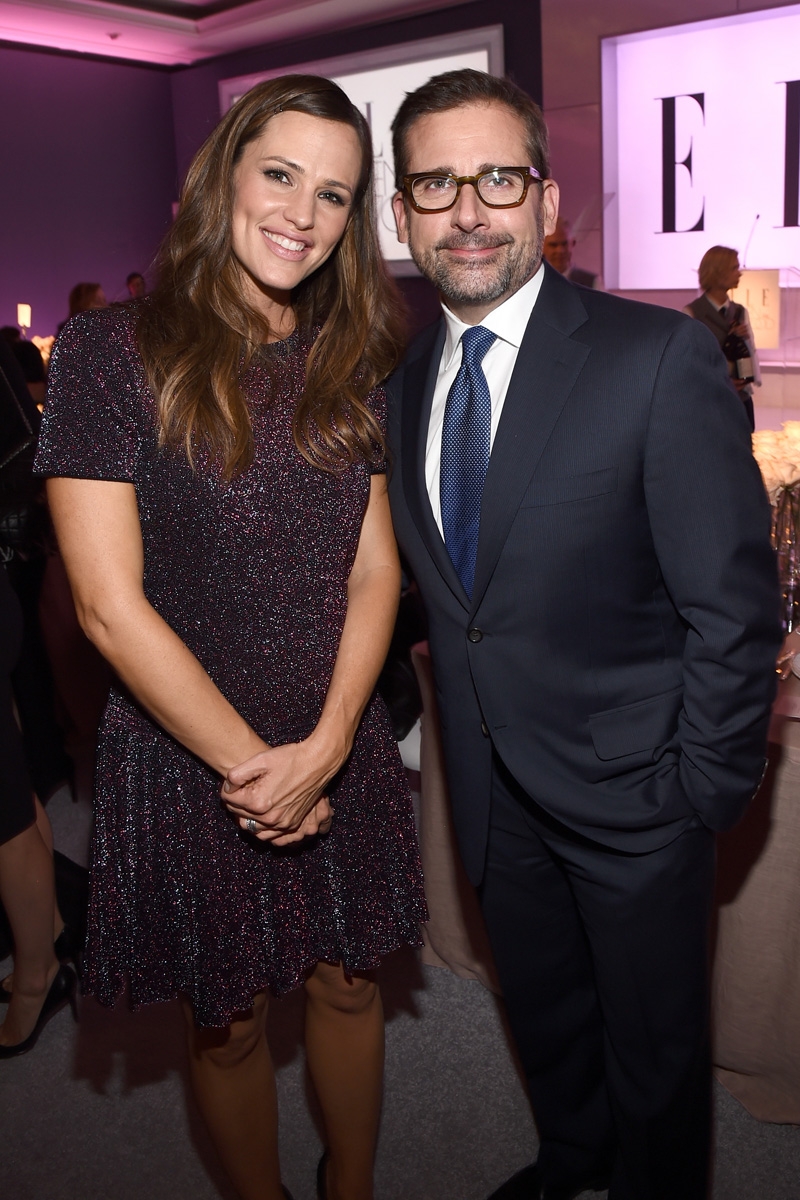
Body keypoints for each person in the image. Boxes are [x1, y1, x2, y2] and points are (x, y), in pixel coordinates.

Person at [386, 68, 781, 1200]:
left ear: (547, 201)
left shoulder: (654, 358)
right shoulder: (403, 382)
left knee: (655, 1052)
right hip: (489, 793)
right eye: (435, 185)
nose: (468, 210)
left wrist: (701, 792)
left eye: (497, 178)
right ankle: (572, 1161)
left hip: (639, 799)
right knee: (546, 1014)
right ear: (402, 214)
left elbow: (732, 605)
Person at [35, 74, 426, 1200]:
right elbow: (107, 608)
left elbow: (374, 569)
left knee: (349, 981)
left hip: (334, 726)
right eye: (281, 175)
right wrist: (262, 774)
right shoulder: (109, 353)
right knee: (232, 1015)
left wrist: (329, 746)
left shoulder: (352, 354)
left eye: (335, 194)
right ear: (224, 177)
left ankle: (351, 1186)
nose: (304, 213)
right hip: (188, 748)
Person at [683, 245, 759, 430]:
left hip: (741, 401)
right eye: (734, 268)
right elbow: (689, 364)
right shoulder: (692, 313)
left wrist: (745, 339)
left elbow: (752, 355)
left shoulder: (740, 312)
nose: (739, 273)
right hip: (709, 403)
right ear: (718, 272)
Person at [542, 216, 599, 288]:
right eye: (553, 245)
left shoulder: (591, 282)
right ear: (541, 247)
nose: (560, 250)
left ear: (573, 243)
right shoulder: (535, 282)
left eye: (564, 244)